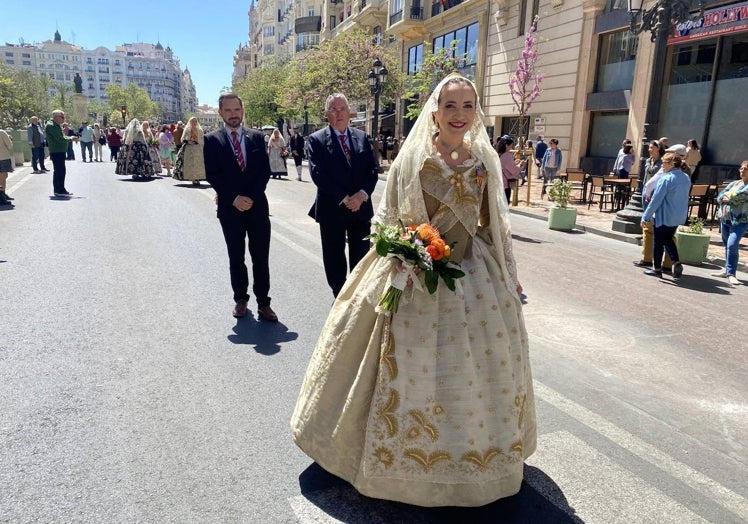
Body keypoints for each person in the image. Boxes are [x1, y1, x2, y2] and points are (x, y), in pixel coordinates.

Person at [291, 74, 535, 507]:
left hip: (473, 271)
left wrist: (509, 272)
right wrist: (407, 252)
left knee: (476, 369)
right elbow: (388, 218)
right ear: (435, 111)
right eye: (450, 106)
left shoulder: (483, 160)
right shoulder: (415, 159)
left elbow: (495, 224)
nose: (459, 115)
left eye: (467, 106)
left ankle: (472, 458)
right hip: (416, 270)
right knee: (400, 363)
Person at [203, 93, 277, 322]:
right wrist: (234, 198)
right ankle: (240, 299)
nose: (233, 114)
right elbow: (212, 174)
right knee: (236, 257)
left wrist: (251, 197)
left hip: (257, 208)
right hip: (230, 209)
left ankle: (264, 303)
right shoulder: (212, 140)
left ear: (242, 110)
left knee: (260, 257)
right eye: (228, 110)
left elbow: (264, 172)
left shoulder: (257, 138)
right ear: (220, 113)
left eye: (237, 110)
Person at [305, 92, 379, 298]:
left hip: (361, 208)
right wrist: (345, 198)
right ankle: (339, 296)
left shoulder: (363, 138)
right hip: (333, 209)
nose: (339, 114)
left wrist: (361, 195)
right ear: (327, 114)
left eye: (342, 109)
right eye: (333, 109)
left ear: (349, 113)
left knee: (361, 255)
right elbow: (317, 173)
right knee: (334, 256)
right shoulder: (316, 140)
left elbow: (372, 171)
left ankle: (356, 295)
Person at [640, 152, 690, 279]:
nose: (662, 165)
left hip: (664, 216)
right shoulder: (685, 178)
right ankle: (676, 262)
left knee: (659, 242)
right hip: (678, 216)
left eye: (664, 163)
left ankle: (657, 269)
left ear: (672, 164)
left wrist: (645, 216)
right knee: (668, 239)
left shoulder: (666, 179)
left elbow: (656, 200)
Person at [633, 140, 670, 271]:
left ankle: (665, 262)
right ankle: (647, 258)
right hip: (646, 194)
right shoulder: (649, 160)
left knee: (659, 229)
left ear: (659, 149)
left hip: (655, 196)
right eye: (648, 147)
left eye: (652, 148)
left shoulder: (662, 164)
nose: (649, 150)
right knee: (648, 227)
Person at [712, 161, 748, 286]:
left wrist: (729, 198)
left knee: (732, 245)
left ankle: (731, 273)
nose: (742, 171)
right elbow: (720, 196)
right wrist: (726, 198)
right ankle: (727, 270)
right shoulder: (734, 183)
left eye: (745, 169)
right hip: (726, 219)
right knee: (727, 245)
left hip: (739, 221)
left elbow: (739, 198)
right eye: (741, 168)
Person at [46, 110, 77, 196]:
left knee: (60, 171)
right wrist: (70, 138)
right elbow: (59, 139)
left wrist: (69, 138)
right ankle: (59, 190)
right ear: (56, 117)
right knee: (59, 171)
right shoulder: (51, 126)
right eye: (62, 117)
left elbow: (61, 137)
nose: (64, 119)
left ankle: (60, 189)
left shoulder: (55, 125)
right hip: (57, 151)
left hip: (59, 151)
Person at [173, 117, 205, 185]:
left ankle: (197, 178)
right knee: (190, 164)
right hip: (189, 149)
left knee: (197, 164)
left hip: (198, 149)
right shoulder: (187, 130)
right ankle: (192, 178)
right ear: (190, 122)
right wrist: (188, 141)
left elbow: (202, 139)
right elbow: (183, 139)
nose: (194, 123)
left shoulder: (200, 130)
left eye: (195, 121)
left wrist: (198, 142)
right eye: (192, 121)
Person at [496, 134, 519, 203]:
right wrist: (521, 165)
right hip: (505, 184)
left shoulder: (498, 154)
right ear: (506, 145)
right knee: (504, 207)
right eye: (511, 145)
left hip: (497, 184)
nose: (511, 148)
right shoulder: (507, 156)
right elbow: (514, 170)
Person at [0, 128, 15, 205]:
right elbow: (10, 145)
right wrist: (9, 139)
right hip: (3, 158)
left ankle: (3, 194)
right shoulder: (2, 132)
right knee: (3, 177)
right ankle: (2, 197)